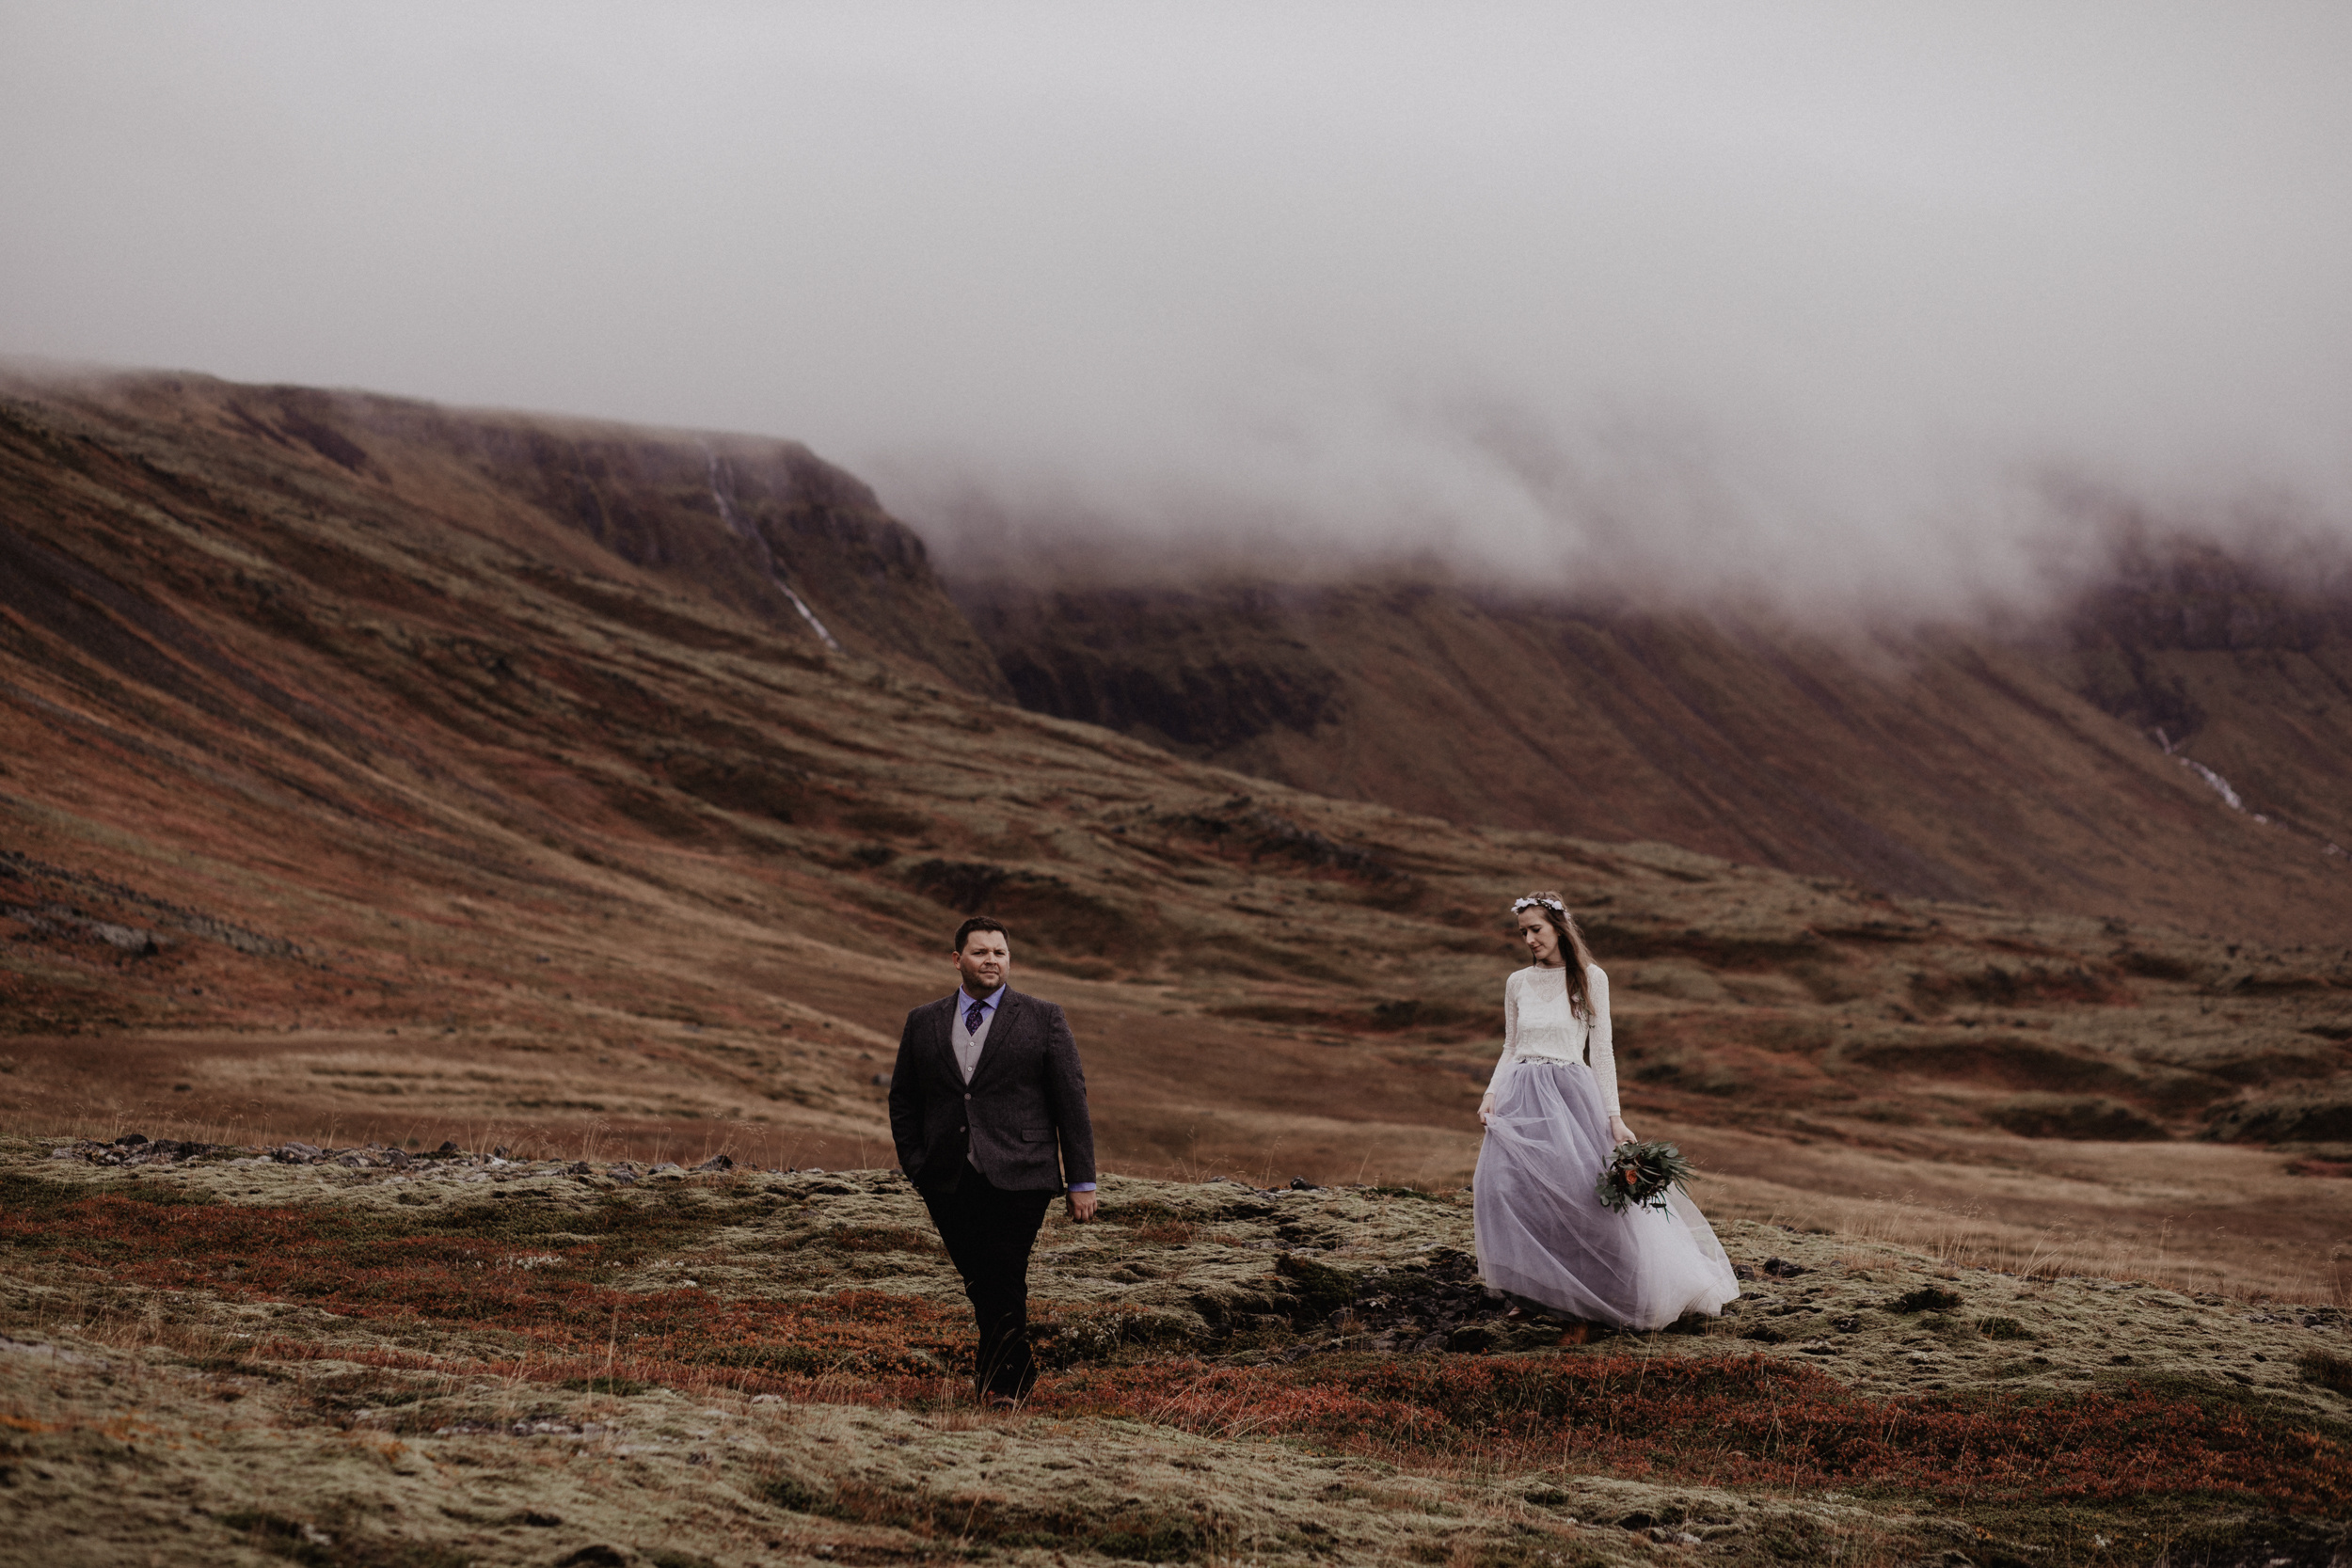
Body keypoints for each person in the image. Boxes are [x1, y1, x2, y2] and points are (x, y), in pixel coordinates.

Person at [1472, 891, 1738, 1331]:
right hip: (1521, 1093)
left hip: (1571, 1096)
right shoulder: (1517, 982)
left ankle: (1585, 1304)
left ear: (1559, 927)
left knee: (1578, 1199)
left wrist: (1613, 1117)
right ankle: (1532, 1292)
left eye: (1535, 929)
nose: (1529, 940)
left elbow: (1603, 1051)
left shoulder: (1591, 978)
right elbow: (1510, 1046)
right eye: (1522, 932)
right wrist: (1490, 1094)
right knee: (1508, 1188)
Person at [888, 916, 1098, 1403]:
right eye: (981, 953)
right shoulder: (924, 1020)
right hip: (945, 1175)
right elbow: (904, 1098)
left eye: (1000, 953)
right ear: (957, 959)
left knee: (1002, 1270)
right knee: (981, 1279)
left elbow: (1072, 1100)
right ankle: (1013, 1375)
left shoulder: (1044, 1017)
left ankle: (1002, 1389)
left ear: (1010, 959)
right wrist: (916, 1164)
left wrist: (1081, 1179)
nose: (991, 961)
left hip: (1022, 1171)